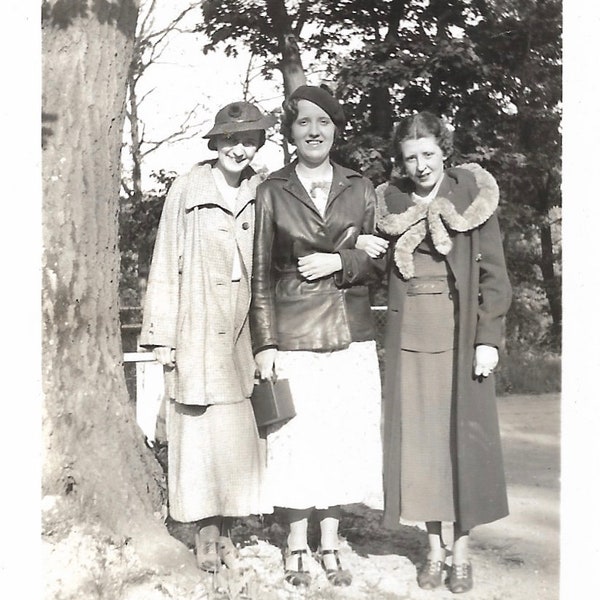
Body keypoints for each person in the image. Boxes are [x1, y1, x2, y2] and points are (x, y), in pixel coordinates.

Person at [251, 85, 385, 588]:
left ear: (335, 129)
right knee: (298, 442)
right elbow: (262, 271)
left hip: (350, 333)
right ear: (290, 133)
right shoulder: (272, 190)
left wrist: (340, 260)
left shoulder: (361, 186)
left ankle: (330, 542)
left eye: (323, 122)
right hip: (293, 332)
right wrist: (264, 344)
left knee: (340, 439)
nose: (314, 131)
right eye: (304, 122)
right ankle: (295, 543)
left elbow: (381, 260)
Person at [374, 111, 512, 593]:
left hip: (460, 335)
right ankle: (432, 551)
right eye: (411, 157)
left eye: (428, 154)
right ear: (401, 161)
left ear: (444, 151)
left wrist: (488, 340)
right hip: (411, 335)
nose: (421, 165)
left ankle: (462, 553)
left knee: (461, 446)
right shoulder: (390, 204)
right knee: (424, 446)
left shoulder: (471, 198)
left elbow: (495, 276)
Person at [140, 101, 276, 573]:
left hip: (242, 328)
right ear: (215, 143)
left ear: (259, 144)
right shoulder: (188, 187)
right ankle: (205, 532)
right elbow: (165, 258)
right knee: (197, 434)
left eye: (250, 140)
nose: (240, 148)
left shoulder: (264, 189)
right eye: (231, 139)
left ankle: (231, 529)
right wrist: (161, 333)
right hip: (196, 322)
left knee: (237, 436)